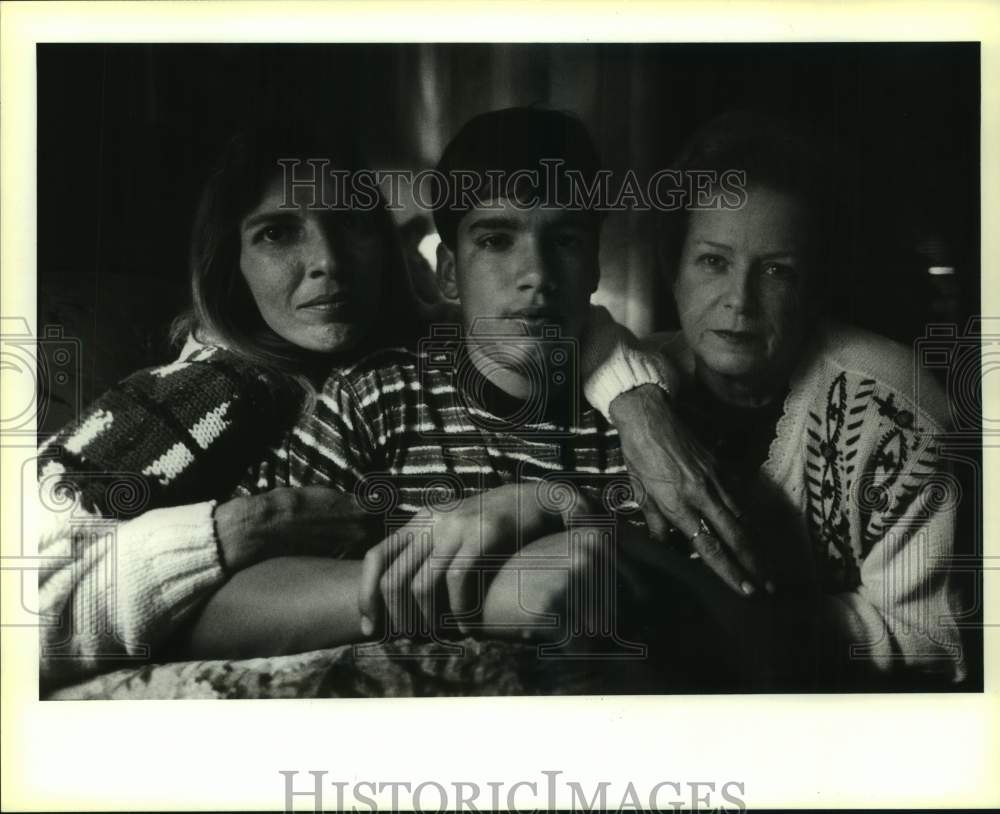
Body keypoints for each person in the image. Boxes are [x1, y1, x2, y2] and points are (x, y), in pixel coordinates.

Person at [37, 112, 738, 689]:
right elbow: (53, 592)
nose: (329, 264)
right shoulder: (215, 392)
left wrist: (633, 406)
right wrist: (235, 531)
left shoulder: (468, 349)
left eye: (352, 227)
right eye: (278, 232)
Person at [638, 111, 966, 687]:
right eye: (713, 262)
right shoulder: (638, 373)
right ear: (674, 273)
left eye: (777, 272)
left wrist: (712, 622)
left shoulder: (896, 408)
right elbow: (580, 336)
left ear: (815, 286)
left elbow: (931, 641)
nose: (739, 300)